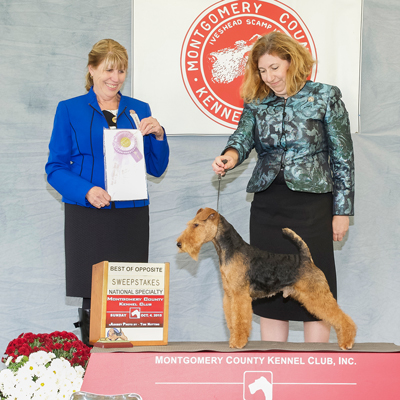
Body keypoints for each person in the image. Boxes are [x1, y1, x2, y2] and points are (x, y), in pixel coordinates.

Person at [212, 32, 354, 344]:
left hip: (313, 207)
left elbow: (343, 156)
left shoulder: (325, 96)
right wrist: (229, 157)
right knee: (267, 298)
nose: (269, 77)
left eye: (275, 67)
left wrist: (342, 211)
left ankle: (315, 373)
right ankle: (274, 369)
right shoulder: (256, 102)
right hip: (267, 207)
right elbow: (242, 139)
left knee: (313, 294)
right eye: (263, 71)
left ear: (292, 61)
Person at [45, 39, 169, 345]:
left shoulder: (139, 110)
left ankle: (127, 372)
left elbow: (156, 167)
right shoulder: (69, 109)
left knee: (130, 297)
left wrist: (159, 135)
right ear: (92, 69)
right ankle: (93, 366)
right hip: (88, 214)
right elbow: (55, 168)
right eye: (108, 69)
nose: (115, 77)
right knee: (93, 295)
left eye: (121, 71)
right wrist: (86, 190)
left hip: (132, 215)